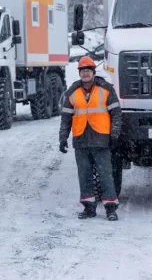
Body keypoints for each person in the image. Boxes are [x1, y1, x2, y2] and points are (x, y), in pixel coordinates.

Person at [58, 56, 122, 221]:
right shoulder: (72, 93)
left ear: (93, 72)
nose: (85, 73)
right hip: (81, 140)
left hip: (101, 139)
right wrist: (63, 138)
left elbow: (116, 114)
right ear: (79, 73)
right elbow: (66, 119)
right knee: (84, 175)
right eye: (83, 71)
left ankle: (110, 209)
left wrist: (114, 135)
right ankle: (89, 208)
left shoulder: (106, 90)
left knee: (106, 175)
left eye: (88, 70)